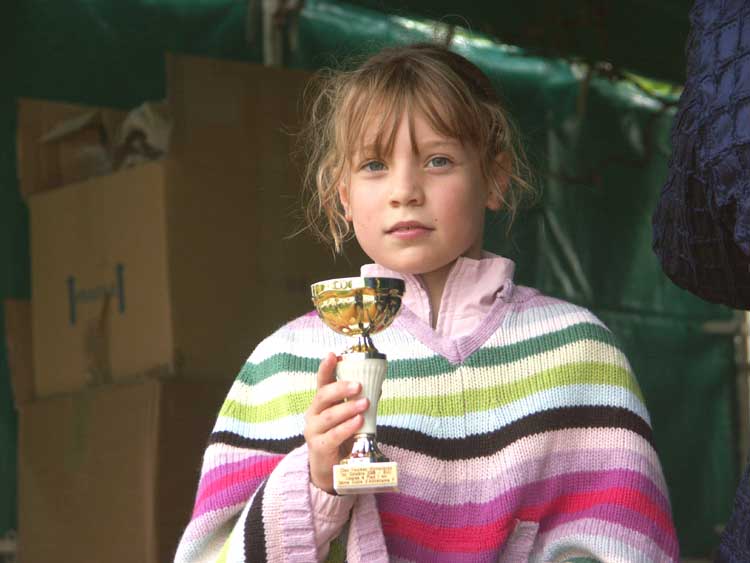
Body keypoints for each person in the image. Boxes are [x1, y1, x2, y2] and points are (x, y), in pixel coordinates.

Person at [174, 43, 679, 562]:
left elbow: (626, 544)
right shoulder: (282, 368)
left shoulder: (578, 352)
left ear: (495, 178)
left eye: (438, 160)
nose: (405, 191)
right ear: (343, 195)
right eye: (374, 164)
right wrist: (316, 483)